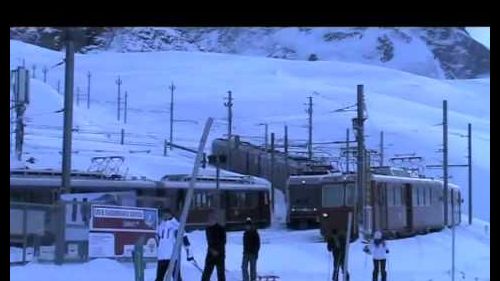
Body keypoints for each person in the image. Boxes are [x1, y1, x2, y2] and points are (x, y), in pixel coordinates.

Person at [155, 208, 193, 281]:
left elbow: (185, 240)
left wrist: (189, 254)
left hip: (172, 256)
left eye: (166, 214)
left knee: (177, 277)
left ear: (170, 214)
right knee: (159, 278)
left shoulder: (176, 225)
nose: (164, 216)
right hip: (161, 256)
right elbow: (157, 238)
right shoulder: (161, 225)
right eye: (163, 214)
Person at [201, 211, 227, 281]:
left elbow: (223, 241)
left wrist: (217, 250)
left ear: (215, 219)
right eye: (209, 218)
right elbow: (209, 242)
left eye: (212, 217)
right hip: (210, 255)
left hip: (220, 255)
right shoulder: (208, 229)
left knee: (221, 274)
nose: (210, 219)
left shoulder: (221, 228)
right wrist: (211, 250)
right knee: (206, 273)